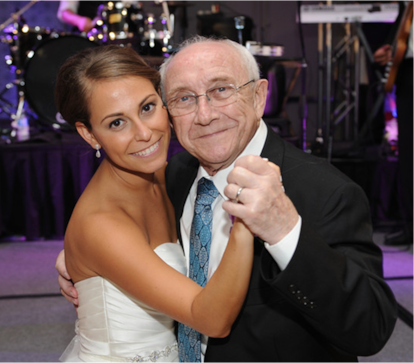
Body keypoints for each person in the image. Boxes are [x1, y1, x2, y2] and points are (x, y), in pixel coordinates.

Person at [57, 36, 398, 362]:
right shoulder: (173, 176)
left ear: (259, 96)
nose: (204, 115)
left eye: (221, 90)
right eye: (184, 98)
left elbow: (370, 330)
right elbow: (117, 235)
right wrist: (82, 260)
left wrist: (285, 231)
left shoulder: (325, 191)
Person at [54, 44, 254, 363]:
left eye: (147, 107)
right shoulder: (101, 224)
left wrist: (76, 259)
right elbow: (212, 320)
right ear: (89, 134)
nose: (145, 133)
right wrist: (246, 220)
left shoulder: (167, 175)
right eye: (116, 123)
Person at [374, 0, 414, 245]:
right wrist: (388, 49)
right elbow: (401, 36)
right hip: (409, 75)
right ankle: (410, 225)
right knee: (408, 154)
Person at [57, 0, 139, 33]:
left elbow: (133, 6)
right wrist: (80, 21)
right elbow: (65, 12)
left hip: (122, 37)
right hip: (88, 38)